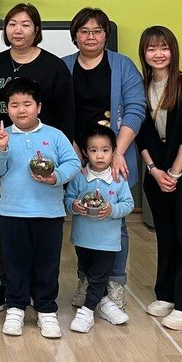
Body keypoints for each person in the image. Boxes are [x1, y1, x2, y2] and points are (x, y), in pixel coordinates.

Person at [0, 3, 75, 312]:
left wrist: (54, 156)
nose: (18, 30)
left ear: (37, 30)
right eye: (12, 24)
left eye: (25, 24)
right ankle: (9, 286)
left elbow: (66, 113)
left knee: (41, 229)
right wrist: (2, 144)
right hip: (3, 152)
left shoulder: (53, 67)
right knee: (3, 224)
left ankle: (38, 291)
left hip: (44, 158)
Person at [0, 77, 81, 339]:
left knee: (47, 263)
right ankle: (16, 307)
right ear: (7, 109)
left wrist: (56, 177)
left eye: (27, 104)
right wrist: (1, 148)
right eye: (14, 105)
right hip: (12, 213)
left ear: (38, 106)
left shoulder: (54, 135)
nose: (21, 110)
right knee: (15, 263)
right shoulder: (2, 136)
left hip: (49, 213)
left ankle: (46, 309)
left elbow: (73, 163)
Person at [63, 7, 145, 310]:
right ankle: (86, 280)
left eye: (97, 31)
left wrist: (117, 153)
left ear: (106, 35)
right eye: (84, 31)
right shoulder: (64, 66)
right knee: (82, 217)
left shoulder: (123, 65)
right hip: (76, 154)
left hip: (114, 154)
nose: (90, 37)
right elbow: (59, 113)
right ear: (75, 35)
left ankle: (114, 284)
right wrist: (73, 153)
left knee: (115, 223)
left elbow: (136, 108)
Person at [136, 26, 182, 331]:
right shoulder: (140, 87)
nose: (158, 54)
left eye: (164, 47)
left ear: (173, 51)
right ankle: (167, 295)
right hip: (157, 173)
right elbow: (140, 134)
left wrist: (175, 172)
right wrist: (154, 170)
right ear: (143, 53)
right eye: (151, 48)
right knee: (166, 236)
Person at [64, 126, 133, 333]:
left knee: (99, 275)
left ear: (113, 151)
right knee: (89, 273)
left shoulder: (118, 178)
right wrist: (74, 205)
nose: (100, 155)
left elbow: (128, 204)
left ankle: (86, 312)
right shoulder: (79, 177)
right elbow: (67, 200)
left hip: (108, 241)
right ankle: (105, 303)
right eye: (93, 150)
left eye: (105, 150)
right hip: (83, 238)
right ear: (86, 153)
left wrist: (112, 209)